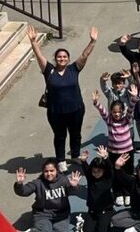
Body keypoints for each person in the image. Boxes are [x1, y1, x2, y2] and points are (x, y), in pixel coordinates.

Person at [27, 25, 98, 163]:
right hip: (56, 113)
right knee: (59, 136)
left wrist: (93, 41)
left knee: (75, 135)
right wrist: (33, 42)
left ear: (68, 59)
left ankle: (75, 156)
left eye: (65, 56)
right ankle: (61, 160)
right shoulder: (48, 70)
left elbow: (84, 55)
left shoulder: (74, 69)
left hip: (76, 110)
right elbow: (39, 55)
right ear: (55, 59)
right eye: (59, 57)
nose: (62, 58)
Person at [14, 160, 81, 232]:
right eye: (46, 171)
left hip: (61, 214)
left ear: (57, 170)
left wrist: (74, 186)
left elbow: (73, 192)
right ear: (43, 172)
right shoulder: (38, 182)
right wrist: (19, 184)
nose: (49, 174)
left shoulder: (63, 180)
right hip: (43, 214)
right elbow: (24, 192)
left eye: (52, 171)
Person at [76, 150, 118, 232]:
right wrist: (83, 161)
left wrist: (106, 158)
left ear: (103, 171)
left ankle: (110, 214)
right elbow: (86, 169)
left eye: (99, 171)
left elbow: (110, 169)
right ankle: (88, 221)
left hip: (106, 210)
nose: (96, 174)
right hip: (92, 211)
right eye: (94, 171)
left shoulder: (108, 179)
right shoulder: (91, 178)